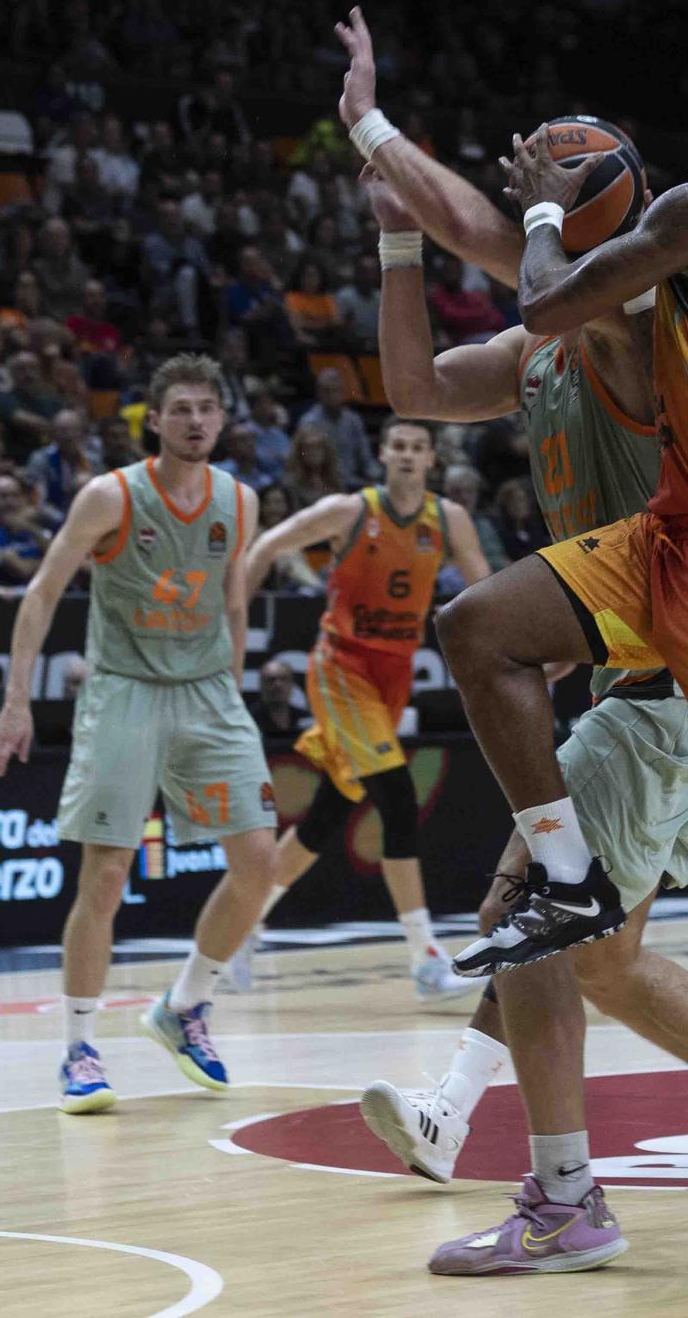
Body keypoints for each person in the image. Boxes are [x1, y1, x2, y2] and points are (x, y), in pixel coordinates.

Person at [337, 11, 688, 1248]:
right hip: (663, 567)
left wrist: (403, 144)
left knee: (587, 919)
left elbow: (514, 256)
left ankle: (588, 1180)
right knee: (576, 918)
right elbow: (423, 386)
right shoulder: (632, 304)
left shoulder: (652, 289)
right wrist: (395, 239)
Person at [0, 354, 279, 1117]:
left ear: (221, 419)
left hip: (208, 690)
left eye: (206, 409)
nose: (194, 421)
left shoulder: (241, 500)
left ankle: (186, 1005)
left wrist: (235, 684)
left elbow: (233, 599)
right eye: (180, 408)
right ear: (153, 419)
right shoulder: (110, 496)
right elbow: (43, 589)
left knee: (259, 861)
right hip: (125, 689)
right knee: (108, 873)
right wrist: (17, 700)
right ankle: (80, 1046)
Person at [237, 420, 491, 1002]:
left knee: (327, 815)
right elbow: (265, 547)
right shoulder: (349, 511)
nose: (405, 455)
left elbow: (485, 591)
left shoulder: (448, 518)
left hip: (392, 675)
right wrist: (236, 618)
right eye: (396, 445)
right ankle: (425, 958)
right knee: (397, 799)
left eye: (415, 447)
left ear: (430, 457)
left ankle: (240, 925)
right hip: (341, 667)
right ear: (382, 453)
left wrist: (522, 644)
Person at [248, 657, 305, 738]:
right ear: (261, 685)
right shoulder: (249, 719)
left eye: (284, 679)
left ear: (292, 684)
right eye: (271, 680)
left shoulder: (305, 718)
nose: (278, 685)